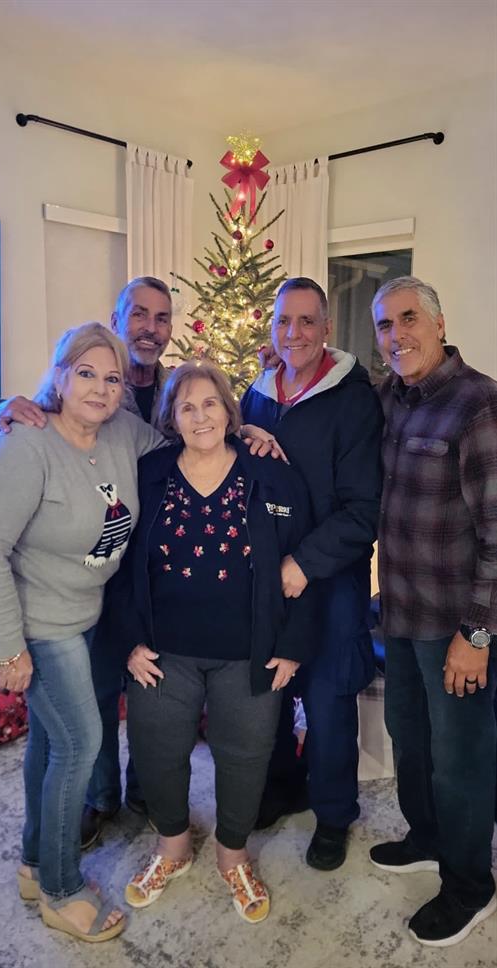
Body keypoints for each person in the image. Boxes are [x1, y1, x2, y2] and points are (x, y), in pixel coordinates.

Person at [0, 322, 164, 942]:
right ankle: (59, 888)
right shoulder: (25, 445)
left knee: (50, 747)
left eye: (110, 378)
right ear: (58, 376)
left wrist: (250, 432)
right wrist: (7, 650)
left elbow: (190, 435)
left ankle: (33, 864)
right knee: (81, 742)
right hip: (39, 624)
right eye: (86, 374)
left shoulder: (122, 432)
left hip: (88, 619)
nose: (100, 389)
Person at [112, 361, 315, 923]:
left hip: (249, 650)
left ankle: (233, 854)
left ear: (230, 411)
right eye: (187, 406)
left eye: (210, 403)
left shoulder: (271, 473)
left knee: (245, 756)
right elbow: (121, 564)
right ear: (172, 419)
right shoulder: (148, 472)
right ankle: (172, 846)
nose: (200, 416)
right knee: (156, 751)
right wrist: (129, 640)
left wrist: (293, 643)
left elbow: (301, 562)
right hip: (162, 650)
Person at [0, 277, 175, 848]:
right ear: (118, 319)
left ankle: (133, 799)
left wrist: (245, 430)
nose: (150, 326)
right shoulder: (80, 382)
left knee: (134, 696)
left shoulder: (170, 389)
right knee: (79, 723)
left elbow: (198, 432)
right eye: (139, 314)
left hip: (131, 569)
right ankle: (90, 808)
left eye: (161, 318)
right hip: (67, 586)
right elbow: (34, 419)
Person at [369, 276, 497, 947]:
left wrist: (475, 635)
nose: (397, 336)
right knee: (411, 744)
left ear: (439, 323)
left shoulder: (477, 405)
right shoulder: (389, 396)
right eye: (384, 325)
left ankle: (470, 884)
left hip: (456, 628)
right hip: (398, 616)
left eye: (408, 318)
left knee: (461, 759)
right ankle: (426, 836)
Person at [241, 277, 383, 871]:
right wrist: (242, 432)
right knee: (271, 691)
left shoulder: (352, 400)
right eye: (283, 322)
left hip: (328, 579)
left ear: (327, 328)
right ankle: (281, 786)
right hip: (268, 577)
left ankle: (332, 814)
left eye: (306, 321)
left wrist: (304, 562)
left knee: (327, 700)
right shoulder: (258, 393)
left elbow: (363, 508)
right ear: (272, 328)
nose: (293, 333)